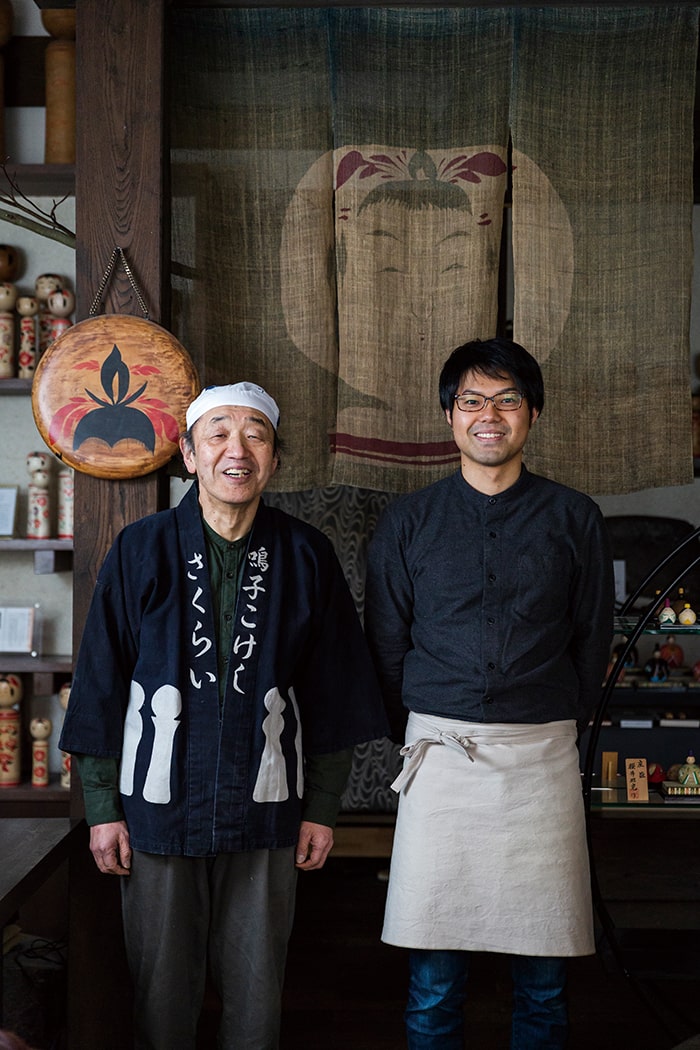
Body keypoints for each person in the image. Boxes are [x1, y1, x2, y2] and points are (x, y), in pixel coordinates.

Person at [59, 381, 389, 1050]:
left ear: (273, 458)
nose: (235, 451)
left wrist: (322, 808)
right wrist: (101, 810)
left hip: (266, 807)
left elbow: (333, 692)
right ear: (188, 453)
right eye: (217, 434)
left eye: (255, 436)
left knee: (257, 995)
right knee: (160, 996)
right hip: (156, 807)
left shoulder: (305, 555)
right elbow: (99, 687)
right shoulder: (139, 550)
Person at [364, 337, 614, 1049]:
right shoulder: (408, 524)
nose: (490, 416)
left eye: (507, 401)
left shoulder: (574, 518)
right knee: (434, 978)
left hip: (540, 759)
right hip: (440, 760)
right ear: (450, 417)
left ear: (532, 414)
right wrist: (415, 731)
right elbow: (385, 644)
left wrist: (551, 719)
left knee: (545, 975)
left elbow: (591, 640)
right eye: (473, 401)